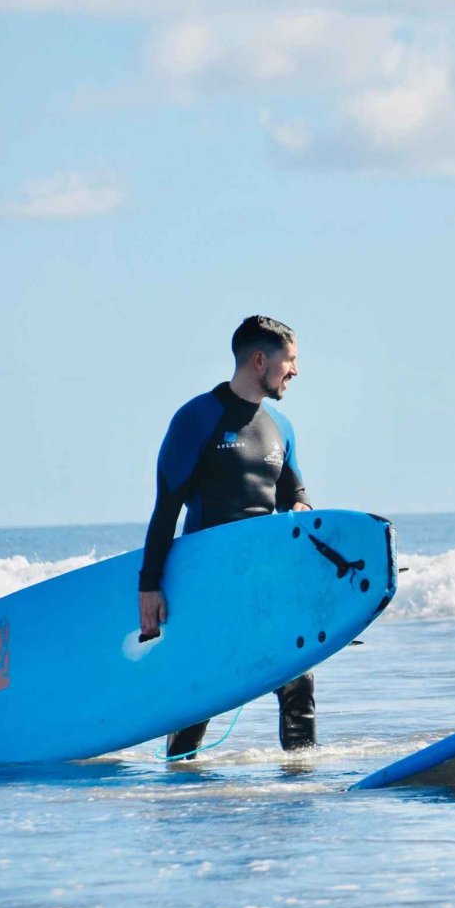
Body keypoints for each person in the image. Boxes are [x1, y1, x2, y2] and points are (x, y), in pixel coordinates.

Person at [138, 315, 317, 759]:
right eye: (289, 360)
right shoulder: (197, 419)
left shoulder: (280, 427)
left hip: (265, 576)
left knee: (298, 678)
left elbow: (295, 493)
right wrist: (149, 584)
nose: (295, 371)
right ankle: (181, 777)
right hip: (207, 579)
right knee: (203, 690)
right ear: (259, 360)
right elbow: (167, 506)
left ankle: (302, 778)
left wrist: (301, 509)